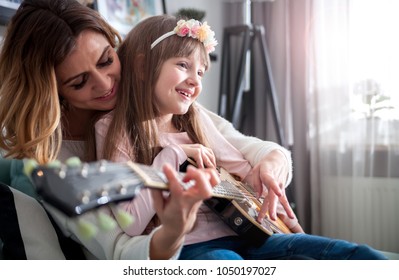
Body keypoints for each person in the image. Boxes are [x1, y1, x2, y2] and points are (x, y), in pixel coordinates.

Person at [0, 0, 293, 259]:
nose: (105, 85)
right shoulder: (57, 163)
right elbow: (121, 252)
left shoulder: (156, 100)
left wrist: (272, 168)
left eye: (106, 61)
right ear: (51, 91)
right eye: (79, 81)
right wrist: (175, 228)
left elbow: (250, 148)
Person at [95, 14, 388, 260]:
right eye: (183, 65)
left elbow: (243, 171)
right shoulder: (113, 128)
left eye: (201, 71)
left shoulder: (195, 119)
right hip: (192, 249)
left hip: (252, 236)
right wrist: (174, 156)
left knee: (354, 254)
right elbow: (130, 224)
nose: (195, 80)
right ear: (144, 66)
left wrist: (278, 212)